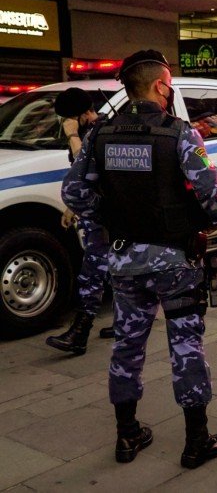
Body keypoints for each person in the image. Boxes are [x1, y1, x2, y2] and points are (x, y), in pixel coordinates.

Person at [61, 50, 217, 467]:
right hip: (176, 260)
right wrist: (207, 223)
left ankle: (127, 436)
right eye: (169, 83)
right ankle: (196, 441)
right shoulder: (179, 133)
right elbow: (215, 199)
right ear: (160, 85)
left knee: (126, 345)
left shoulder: (100, 134)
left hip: (123, 260)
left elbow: (73, 193)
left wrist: (113, 218)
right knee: (186, 345)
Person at [47, 88, 114, 353]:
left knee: (93, 272)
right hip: (96, 213)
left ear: (83, 114)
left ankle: (80, 334)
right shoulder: (90, 131)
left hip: (106, 217)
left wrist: (74, 134)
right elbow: (82, 181)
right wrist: (71, 207)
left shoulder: (100, 131)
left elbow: (83, 165)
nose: (64, 125)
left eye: (68, 119)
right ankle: (123, 322)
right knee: (109, 270)